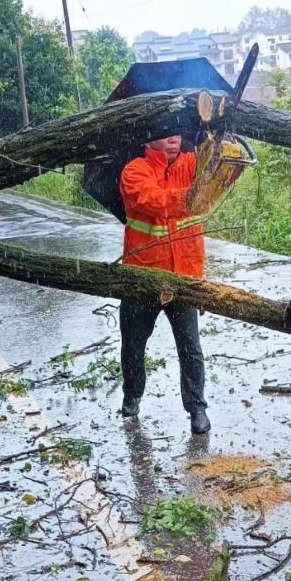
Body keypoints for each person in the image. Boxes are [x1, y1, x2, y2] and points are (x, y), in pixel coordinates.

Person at [118, 135, 211, 434]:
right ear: (147, 140)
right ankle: (132, 395)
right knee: (133, 345)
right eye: (165, 134)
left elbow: (218, 173)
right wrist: (193, 194)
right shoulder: (134, 171)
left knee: (191, 348)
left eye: (177, 134)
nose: (174, 140)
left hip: (182, 278)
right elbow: (155, 201)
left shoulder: (191, 164)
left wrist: (220, 144)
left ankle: (197, 408)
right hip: (142, 279)